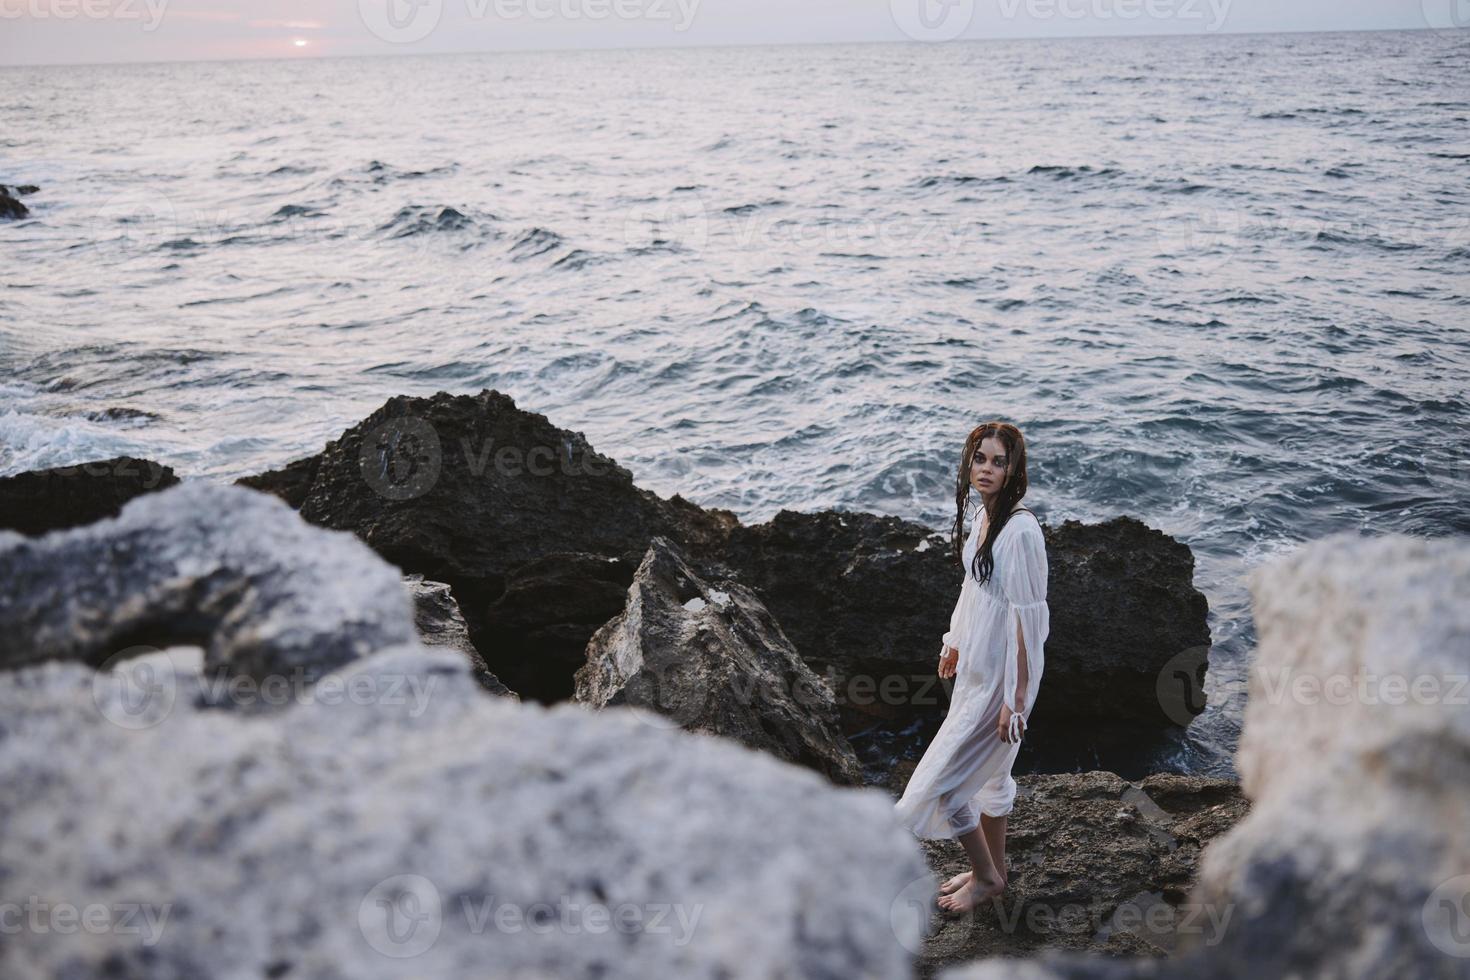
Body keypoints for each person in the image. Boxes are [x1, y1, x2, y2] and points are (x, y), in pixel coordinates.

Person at [892, 421, 1049, 913]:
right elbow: (975, 588)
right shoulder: (984, 517)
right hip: (977, 668)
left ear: (1013, 470)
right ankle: (995, 870)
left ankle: (986, 879)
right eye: (980, 458)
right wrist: (954, 640)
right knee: (993, 781)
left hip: (1001, 683)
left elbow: (1028, 624)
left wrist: (1015, 702)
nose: (986, 469)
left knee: (944, 788)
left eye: (997, 461)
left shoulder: (1020, 532)